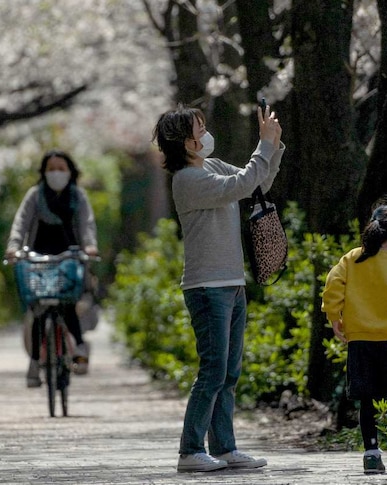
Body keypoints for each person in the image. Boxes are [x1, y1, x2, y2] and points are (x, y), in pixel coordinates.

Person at [152, 103, 284, 473]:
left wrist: (274, 146)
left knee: (228, 373)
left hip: (231, 282)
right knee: (212, 371)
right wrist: (264, 145)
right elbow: (239, 185)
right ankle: (190, 450)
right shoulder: (187, 180)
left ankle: (224, 448)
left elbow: (256, 182)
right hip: (207, 287)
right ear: (187, 143)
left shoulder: (210, 167)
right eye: (200, 128)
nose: (206, 133)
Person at [320, 201, 387, 474]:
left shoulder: (352, 258)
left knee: (367, 399)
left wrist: (335, 317)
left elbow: (333, 286)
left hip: (361, 340)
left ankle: (371, 452)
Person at [5, 149, 99, 385]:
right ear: (43, 172)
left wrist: (90, 247)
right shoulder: (35, 196)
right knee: (39, 308)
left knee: (67, 304)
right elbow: (21, 223)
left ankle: (78, 346)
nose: (56, 173)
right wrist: (14, 247)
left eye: (61, 168)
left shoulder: (78, 196)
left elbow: (87, 224)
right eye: (51, 169)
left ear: (70, 171)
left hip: (70, 257)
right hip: (37, 258)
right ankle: (35, 361)